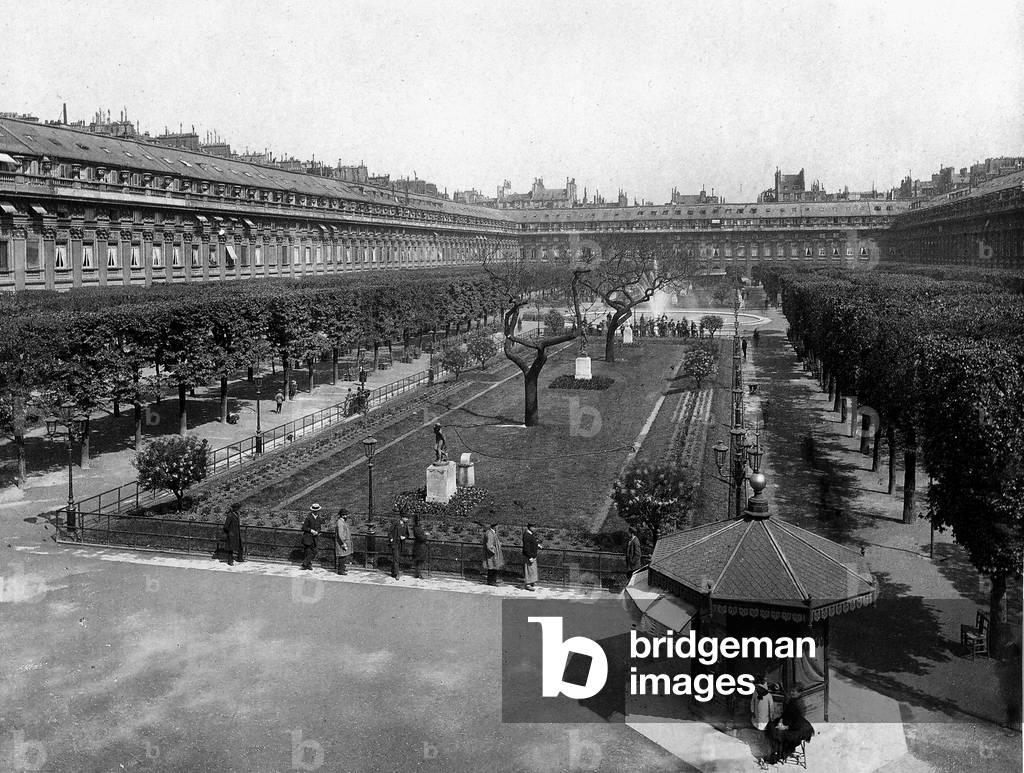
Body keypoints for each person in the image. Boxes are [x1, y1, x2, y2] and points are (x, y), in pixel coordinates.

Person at [763, 684, 815, 765]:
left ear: (799, 693)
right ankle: (774, 751)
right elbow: (787, 709)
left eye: (793, 691)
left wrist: (785, 727)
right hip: (789, 722)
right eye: (791, 691)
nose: (791, 693)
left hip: (797, 729)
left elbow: (797, 721)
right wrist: (780, 689)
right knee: (771, 726)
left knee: (777, 733)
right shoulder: (793, 700)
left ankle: (778, 755)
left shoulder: (799, 706)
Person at [300, 503, 322, 570]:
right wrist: (311, 531)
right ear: (312, 511)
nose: (316, 512)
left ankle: (305, 563)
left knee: (315, 551)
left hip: (315, 538)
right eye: (315, 511)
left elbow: (319, 527)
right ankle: (308, 565)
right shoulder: (308, 517)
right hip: (308, 537)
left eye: (317, 511)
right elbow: (304, 527)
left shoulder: (319, 518)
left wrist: (317, 532)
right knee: (308, 552)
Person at [388, 515, 410, 580]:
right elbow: (389, 532)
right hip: (395, 543)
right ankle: (397, 574)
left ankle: (393, 572)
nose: (407, 519)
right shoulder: (396, 523)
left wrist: (404, 537)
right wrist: (391, 539)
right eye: (406, 518)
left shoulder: (405, 525)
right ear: (402, 517)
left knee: (396, 558)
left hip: (401, 544)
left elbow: (407, 534)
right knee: (396, 558)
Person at [522, 523, 541, 591]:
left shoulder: (530, 534)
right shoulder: (527, 535)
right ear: (530, 527)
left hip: (532, 555)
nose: (535, 528)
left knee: (532, 570)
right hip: (529, 556)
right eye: (534, 527)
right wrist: (530, 557)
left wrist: (537, 545)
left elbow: (532, 542)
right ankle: (528, 584)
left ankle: (531, 582)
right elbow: (526, 547)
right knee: (529, 570)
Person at [334, 508, 352, 575]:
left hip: (344, 542)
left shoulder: (342, 522)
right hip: (342, 543)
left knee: (344, 556)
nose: (346, 516)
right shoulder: (340, 523)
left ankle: (342, 568)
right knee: (342, 556)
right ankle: (340, 571)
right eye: (345, 515)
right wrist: (343, 543)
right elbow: (340, 534)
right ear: (342, 515)